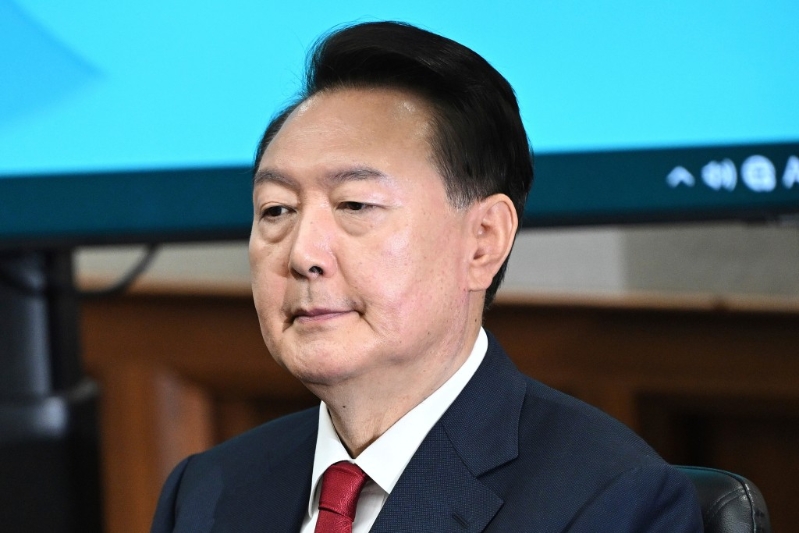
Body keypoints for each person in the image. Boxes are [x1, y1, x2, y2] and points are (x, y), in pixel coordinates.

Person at [151, 21, 702, 532]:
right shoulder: (206, 491)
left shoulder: (610, 500)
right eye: (276, 210)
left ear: (483, 240)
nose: (303, 254)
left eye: (355, 204)